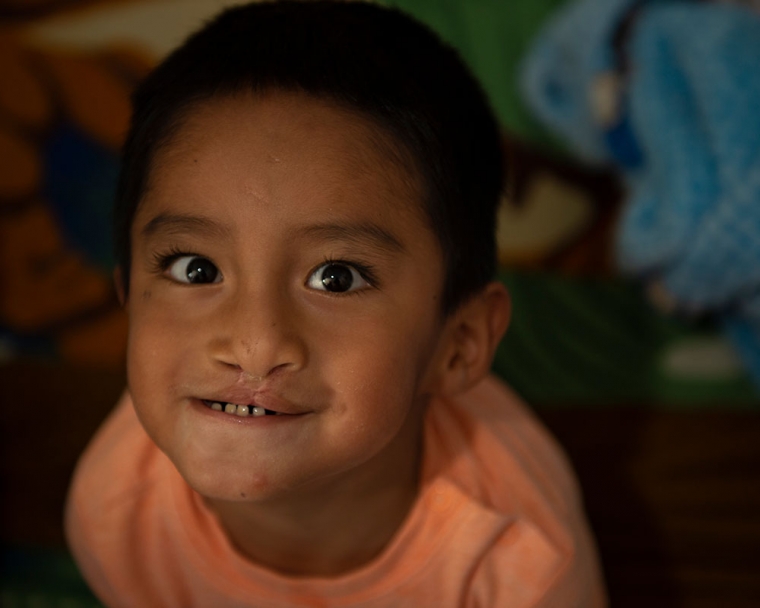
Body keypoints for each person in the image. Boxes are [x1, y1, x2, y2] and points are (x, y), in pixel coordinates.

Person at [65, 1, 606, 605]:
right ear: (130, 303)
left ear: (460, 344)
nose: (254, 342)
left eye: (336, 278)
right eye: (197, 269)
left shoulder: (520, 566)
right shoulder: (117, 513)